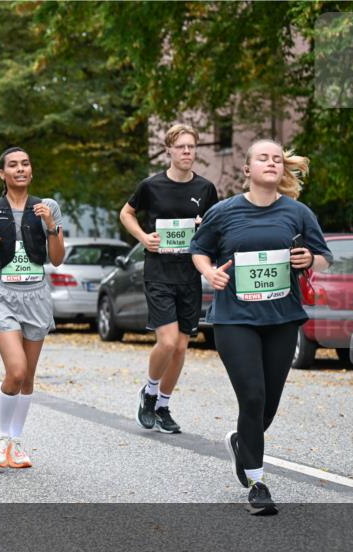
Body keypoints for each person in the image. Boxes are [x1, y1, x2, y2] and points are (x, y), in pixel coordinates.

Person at [191, 139, 331, 515]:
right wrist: (209, 273)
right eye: (263, 158)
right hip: (235, 319)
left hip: (282, 320)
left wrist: (309, 258)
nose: (271, 163)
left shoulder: (298, 213)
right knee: (251, 395)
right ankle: (257, 481)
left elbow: (324, 260)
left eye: (277, 159)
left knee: (267, 403)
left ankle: (242, 441)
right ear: (248, 169)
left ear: (282, 170)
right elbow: (198, 249)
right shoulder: (224, 212)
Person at [0, 147, 66, 468]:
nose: (20, 169)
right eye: (13, 165)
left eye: (25, 164)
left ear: (31, 171)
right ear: (2, 174)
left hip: (36, 296)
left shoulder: (47, 207)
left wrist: (51, 225)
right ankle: (1, 438)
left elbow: (58, 258)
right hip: (2, 294)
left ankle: (17, 442)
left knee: (29, 377)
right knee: (16, 370)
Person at [119, 123, 219, 434]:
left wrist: (205, 225)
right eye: (182, 147)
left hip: (189, 274)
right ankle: (148, 393)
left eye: (192, 147)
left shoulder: (205, 189)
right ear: (169, 151)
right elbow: (126, 213)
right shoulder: (151, 186)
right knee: (167, 340)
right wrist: (143, 237)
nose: (187, 152)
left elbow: (215, 228)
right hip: (159, 273)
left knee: (180, 348)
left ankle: (163, 405)